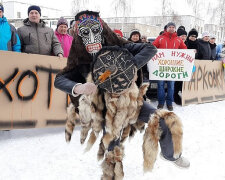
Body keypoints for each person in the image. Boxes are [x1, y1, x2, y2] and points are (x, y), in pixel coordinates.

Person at [54, 11, 190, 179]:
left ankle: (171, 154)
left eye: (95, 31)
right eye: (85, 33)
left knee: (167, 120)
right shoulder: (80, 61)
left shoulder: (120, 48)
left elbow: (150, 47)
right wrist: (79, 87)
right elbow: (59, 80)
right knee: (112, 150)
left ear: (102, 30)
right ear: (79, 36)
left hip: (131, 102)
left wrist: (129, 66)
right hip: (107, 112)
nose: (91, 38)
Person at [153, 22, 187, 111]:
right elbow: (152, 47)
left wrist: (191, 53)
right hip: (161, 67)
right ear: (166, 28)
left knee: (171, 85)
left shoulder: (178, 39)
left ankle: (169, 103)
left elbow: (185, 50)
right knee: (160, 85)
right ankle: (161, 102)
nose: (171, 28)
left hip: (173, 68)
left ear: (175, 29)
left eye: (173, 27)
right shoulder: (160, 38)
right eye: (170, 27)